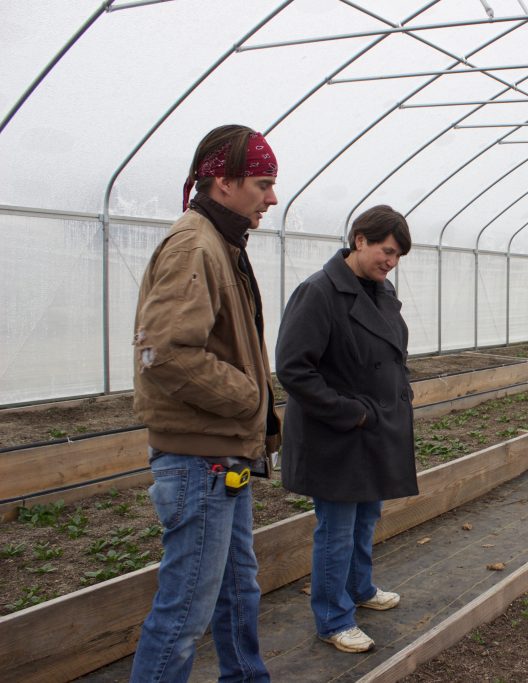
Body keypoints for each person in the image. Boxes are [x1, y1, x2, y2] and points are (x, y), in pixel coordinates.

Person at [130, 124, 281, 682]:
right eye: (263, 183)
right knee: (184, 612)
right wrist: (248, 396)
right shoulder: (196, 244)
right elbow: (165, 351)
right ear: (223, 182)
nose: (271, 197)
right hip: (200, 463)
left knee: (239, 588)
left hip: (224, 459)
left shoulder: (221, 243)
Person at [276, 205, 417, 653]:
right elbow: (294, 370)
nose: (390, 261)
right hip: (335, 432)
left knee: (365, 517)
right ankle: (333, 618)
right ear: (360, 240)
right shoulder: (318, 292)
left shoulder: (380, 290)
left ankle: (360, 588)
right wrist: (350, 412)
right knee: (335, 528)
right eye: (386, 250)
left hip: (372, 428)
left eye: (397, 256)